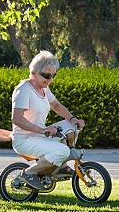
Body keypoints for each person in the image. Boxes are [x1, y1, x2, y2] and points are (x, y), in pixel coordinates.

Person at [11, 50, 85, 190]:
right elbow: (17, 119)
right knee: (62, 151)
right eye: (46, 75)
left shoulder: (44, 89)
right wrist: (43, 130)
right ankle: (29, 173)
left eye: (53, 75)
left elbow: (56, 105)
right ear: (33, 72)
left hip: (39, 135)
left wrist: (73, 118)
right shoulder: (24, 89)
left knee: (71, 127)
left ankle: (61, 166)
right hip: (24, 139)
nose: (50, 79)